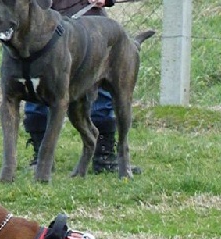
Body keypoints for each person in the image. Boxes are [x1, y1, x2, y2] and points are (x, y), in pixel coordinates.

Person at [24, 0, 139, 174]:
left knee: (101, 96)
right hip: (42, 18)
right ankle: (40, 155)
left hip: (87, 18)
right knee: (38, 83)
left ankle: (104, 154)